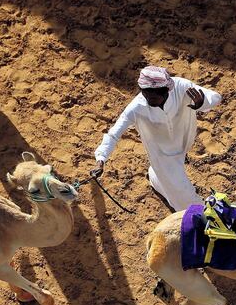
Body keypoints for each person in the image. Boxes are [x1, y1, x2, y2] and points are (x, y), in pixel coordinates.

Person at [92, 66, 222, 211]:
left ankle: (155, 178)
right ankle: (201, 216)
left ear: (167, 90)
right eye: (146, 94)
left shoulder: (181, 87)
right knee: (186, 198)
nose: (149, 99)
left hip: (184, 141)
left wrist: (202, 102)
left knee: (167, 180)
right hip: (162, 155)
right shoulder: (136, 107)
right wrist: (100, 159)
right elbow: (113, 134)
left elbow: (215, 97)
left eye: (155, 96)